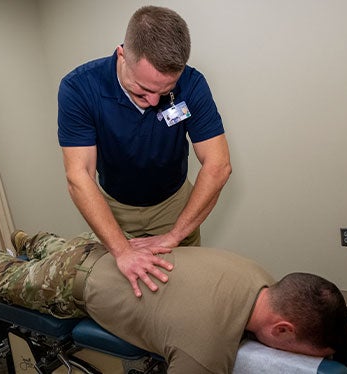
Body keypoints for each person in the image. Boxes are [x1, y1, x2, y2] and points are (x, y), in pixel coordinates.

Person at [0, 230, 347, 373]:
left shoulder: (259, 275)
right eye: (299, 352)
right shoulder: (206, 352)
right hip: (68, 284)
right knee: (5, 277)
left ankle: (31, 240)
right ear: (282, 329)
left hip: (106, 248)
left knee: (59, 246)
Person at [57, 6, 232, 298]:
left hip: (175, 204)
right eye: (141, 90)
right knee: (129, 298)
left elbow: (218, 166)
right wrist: (122, 250)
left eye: (164, 92)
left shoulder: (192, 83)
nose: (153, 101)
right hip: (115, 209)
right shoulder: (80, 88)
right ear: (122, 55)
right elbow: (79, 175)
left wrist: (176, 234)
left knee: (185, 293)